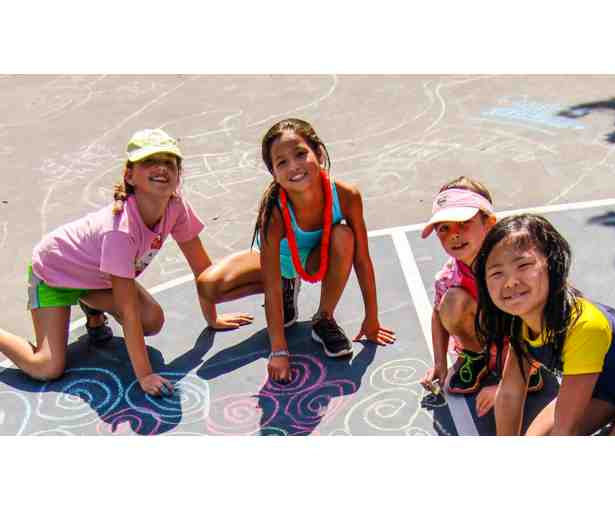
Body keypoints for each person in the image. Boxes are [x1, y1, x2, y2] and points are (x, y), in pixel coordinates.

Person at [0, 128, 252, 397]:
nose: (161, 168)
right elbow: (128, 309)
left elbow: (202, 270)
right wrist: (144, 375)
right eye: (150, 161)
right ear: (130, 176)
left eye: (169, 163)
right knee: (47, 368)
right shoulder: (120, 230)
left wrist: (213, 318)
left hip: (96, 276)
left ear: (179, 175)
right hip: (55, 273)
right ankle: (83, 306)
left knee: (152, 321)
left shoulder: (176, 207)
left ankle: (90, 304)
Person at [197, 118, 395, 382]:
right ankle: (289, 286)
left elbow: (362, 260)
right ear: (274, 174)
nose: (294, 166)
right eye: (282, 162)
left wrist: (372, 318)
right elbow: (271, 286)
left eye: (300, 154)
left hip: (316, 256)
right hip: (278, 263)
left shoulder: (347, 195)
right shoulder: (274, 212)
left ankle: (324, 318)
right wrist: (279, 350)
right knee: (208, 287)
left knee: (344, 236)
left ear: (319, 154)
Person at [473, 213, 615, 435]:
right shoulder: (518, 319)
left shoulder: (584, 326)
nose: (511, 282)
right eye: (497, 273)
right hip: (608, 384)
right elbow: (510, 392)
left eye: (524, 265)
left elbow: (565, 430)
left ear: (552, 264)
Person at [419, 177, 542, 417]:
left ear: (489, 223)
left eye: (464, 223)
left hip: (525, 337)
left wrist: (514, 377)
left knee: (520, 310)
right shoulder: (450, 274)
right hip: (490, 331)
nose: (454, 235)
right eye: (444, 228)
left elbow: (542, 317)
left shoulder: (515, 264)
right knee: (451, 302)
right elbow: (438, 314)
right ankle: (477, 356)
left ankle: (525, 365)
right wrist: (439, 363)